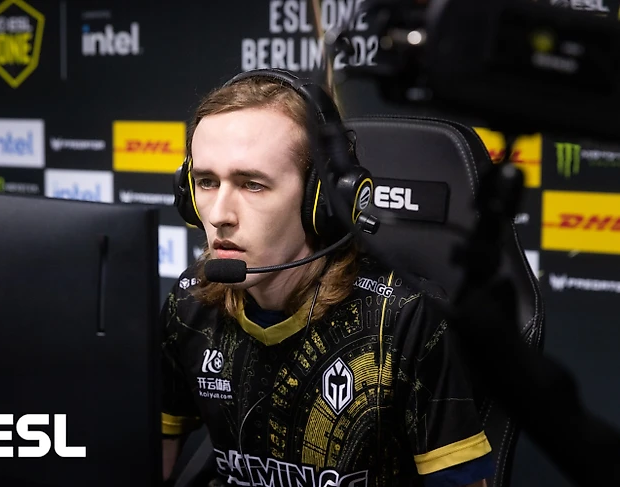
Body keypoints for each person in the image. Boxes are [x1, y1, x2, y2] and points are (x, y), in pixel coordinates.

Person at [160, 69, 493, 487]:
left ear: (321, 199)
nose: (219, 214)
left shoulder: (403, 321)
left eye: (253, 185)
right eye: (206, 182)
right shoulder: (191, 304)